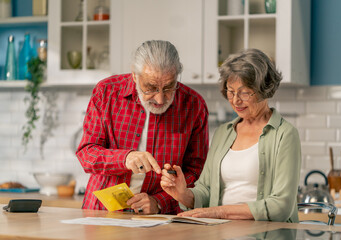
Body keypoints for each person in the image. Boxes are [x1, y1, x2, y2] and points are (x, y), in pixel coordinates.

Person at [161, 48, 301, 222]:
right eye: (230, 91)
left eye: (244, 92)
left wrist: (219, 212)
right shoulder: (223, 133)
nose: (235, 100)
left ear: (263, 89)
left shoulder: (284, 134)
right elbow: (206, 191)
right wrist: (183, 194)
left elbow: (281, 206)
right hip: (222, 233)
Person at [76, 40, 209, 214]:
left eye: (169, 87)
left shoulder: (194, 106)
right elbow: (86, 154)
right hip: (101, 213)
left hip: (158, 220)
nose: (160, 99)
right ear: (134, 75)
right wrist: (125, 158)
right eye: (150, 88)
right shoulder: (106, 92)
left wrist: (159, 202)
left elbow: (197, 173)